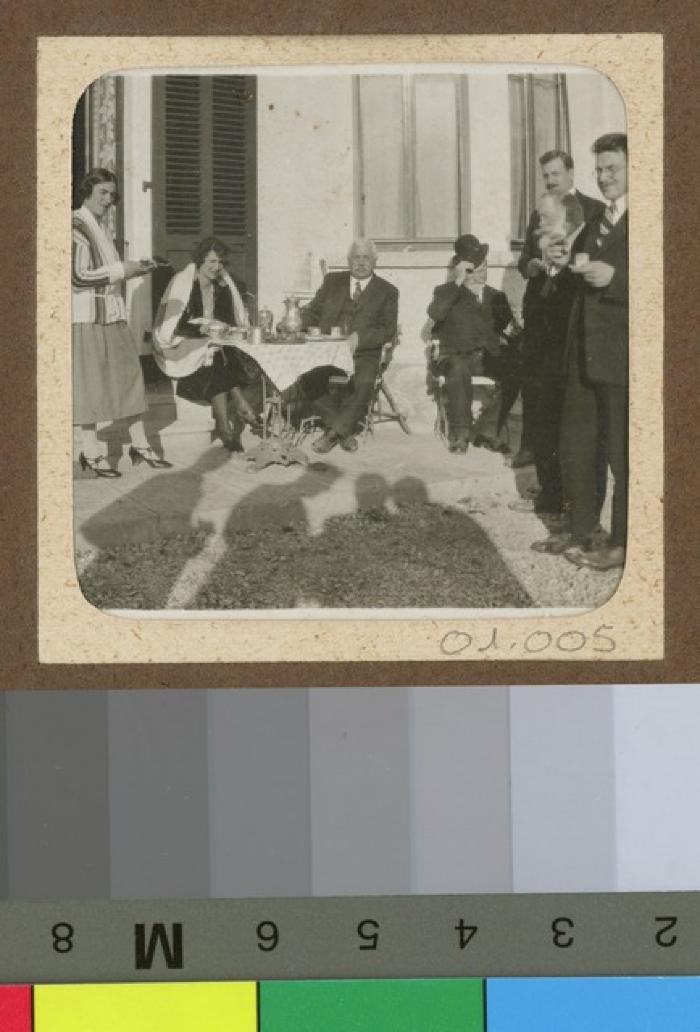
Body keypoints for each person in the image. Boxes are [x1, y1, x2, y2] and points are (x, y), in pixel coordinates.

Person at [534, 133, 629, 571]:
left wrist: (618, 278)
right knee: (576, 445)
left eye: (614, 168)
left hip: (622, 356)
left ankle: (624, 544)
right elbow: (577, 277)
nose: (605, 177)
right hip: (582, 356)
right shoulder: (595, 223)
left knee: (624, 456)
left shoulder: (657, 217)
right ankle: (582, 529)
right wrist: (558, 262)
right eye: (601, 169)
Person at [72, 168, 171, 477]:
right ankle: (90, 451)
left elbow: (110, 271)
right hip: (87, 315)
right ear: (86, 193)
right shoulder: (76, 225)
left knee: (130, 379)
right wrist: (121, 271)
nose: (108, 199)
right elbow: (75, 277)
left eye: (112, 195)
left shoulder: (100, 228)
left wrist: (136, 268)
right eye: (102, 192)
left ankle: (139, 445)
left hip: (113, 315)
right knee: (90, 385)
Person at [514, 149, 605, 469]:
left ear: (570, 173)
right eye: (546, 175)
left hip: (571, 309)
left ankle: (563, 459)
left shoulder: (594, 211)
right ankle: (532, 447)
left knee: (565, 386)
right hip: (540, 308)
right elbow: (524, 258)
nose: (551, 180)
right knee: (536, 381)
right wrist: (532, 266)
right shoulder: (540, 211)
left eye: (556, 173)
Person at [510, 192, 587, 517]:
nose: (538, 227)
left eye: (545, 220)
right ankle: (550, 499)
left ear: (566, 225)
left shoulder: (576, 274)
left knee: (563, 437)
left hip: (564, 372)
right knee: (542, 433)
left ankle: (569, 506)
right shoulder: (543, 274)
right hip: (538, 369)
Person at [152, 237, 261, 451]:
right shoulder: (183, 284)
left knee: (216, 353)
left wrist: (220, 330)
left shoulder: (221, 286)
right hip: (179, 343)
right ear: (200, 261)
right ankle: (240, 406)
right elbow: (171, 325)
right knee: (215, 353)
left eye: (220, 262)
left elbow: (229, 321)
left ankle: (225, 427)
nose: (216, 267)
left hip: (211, 348)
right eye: (211, 262)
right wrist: (199, 329)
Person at [299, 239, 399, 454]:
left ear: (374, 261)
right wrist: (297, 321)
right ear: (348, 261)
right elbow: (314, 311)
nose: (361, 262)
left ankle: (332, 434)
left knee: (364, 382)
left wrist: (360, 338)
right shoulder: (332, 281)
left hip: (363, 354)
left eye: (366, 258)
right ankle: (345, 430)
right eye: (357, 257)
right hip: (327, 351)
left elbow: (387, 329)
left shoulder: (387, 291)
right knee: (306, 377)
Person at [426, 234, 514, 453]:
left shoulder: (496, 296)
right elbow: (436, 314)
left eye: (484, 266)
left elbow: (508, 328)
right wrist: (456, 282)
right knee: (458, 368)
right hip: (452, 356)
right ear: (462, 269)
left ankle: (486, 430)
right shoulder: (446, 292)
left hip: (484, 358)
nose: (480, 272)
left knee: (517, 369)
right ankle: (461, 433)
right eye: (473, 268)